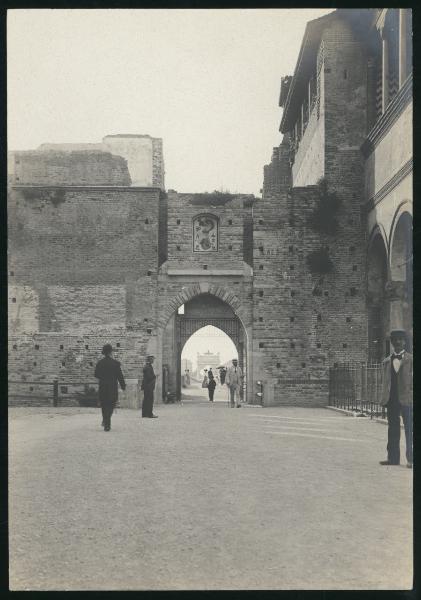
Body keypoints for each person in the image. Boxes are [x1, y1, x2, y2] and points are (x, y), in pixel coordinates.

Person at [379, 330, 413, 468]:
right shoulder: (386, 361)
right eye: (395, 340)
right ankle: (393, 458)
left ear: (404, 341)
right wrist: (383, 398)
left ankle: (411, 459)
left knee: (409, 429)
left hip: (407, 400)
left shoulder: (411, 359)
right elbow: (385, 383)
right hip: (392, 400)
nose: (397, 342)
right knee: (392, 429)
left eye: (400, 339)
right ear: (392, 343)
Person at [94, 344, 126, 432]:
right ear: (111, 352)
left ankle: (106, 421)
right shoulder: (115, 363)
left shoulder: (100, 363)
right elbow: (120, 376)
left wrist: (103, 377)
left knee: (104, 405)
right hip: (112, 387)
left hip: (103, 386)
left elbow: (96, 375)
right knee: (111, 404)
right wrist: (123, 386)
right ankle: (107, 422)